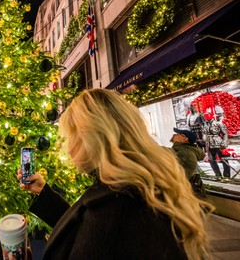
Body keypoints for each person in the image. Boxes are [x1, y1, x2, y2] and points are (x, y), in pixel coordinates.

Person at [18, 89, 213, 260]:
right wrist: (44, 193)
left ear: (92, 137)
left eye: (69, 137)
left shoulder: (121, 207)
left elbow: (97, 234)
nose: (66, 148)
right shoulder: (128, 190)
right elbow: (85, 229)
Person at [203, 113, 230, 178]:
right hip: (209, 143)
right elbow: (204, 132)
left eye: (208, 115)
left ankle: (227, 175)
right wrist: (204, 137)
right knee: (211, 159)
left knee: (224, 159)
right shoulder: (205, 124)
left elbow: (225, 133)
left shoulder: (218, 123)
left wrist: (224, 142)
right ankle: (218, 175)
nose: (206, 116)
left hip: (218, 143)